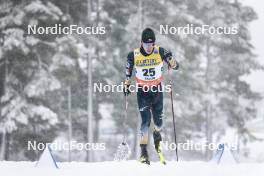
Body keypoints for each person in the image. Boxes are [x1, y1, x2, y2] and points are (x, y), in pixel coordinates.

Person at [123, 28, 179, 164]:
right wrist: (127, 84)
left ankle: (157, 134)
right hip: (142, 92)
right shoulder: (133, 55)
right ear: (141, 42)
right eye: (147, 44)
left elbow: (176, 66)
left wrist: (172, 61)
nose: (149, 47)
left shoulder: (159, 51)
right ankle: (143, 153)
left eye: (151, 44)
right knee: (146, 121)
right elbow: (128, 72)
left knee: (159, 123)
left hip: (157, 91)